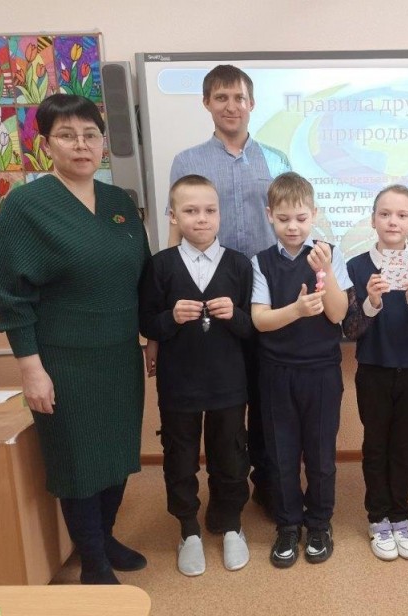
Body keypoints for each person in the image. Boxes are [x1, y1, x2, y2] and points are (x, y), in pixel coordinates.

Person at [0, 93, 149, 584]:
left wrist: (152, 339)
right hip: (63, 359)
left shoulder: (119, 203)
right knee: (77, 460)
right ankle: (93, 561)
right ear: (46, 145)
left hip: (119, 353)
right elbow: (11, 296)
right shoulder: (27, 207)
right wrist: (30, 368)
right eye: (67, 135)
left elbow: (140, 278)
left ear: (102, 143)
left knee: (117, 452)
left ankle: (105, 535)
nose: (81, 144)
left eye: (90, 134)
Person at [167, 65, 291, 527]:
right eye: (221, 97)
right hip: (208, 295)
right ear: (207, 103)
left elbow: (291, 221)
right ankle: (222, 493)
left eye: (239, 97)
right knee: (224, 400)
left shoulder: (276, 159)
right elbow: (175, 227)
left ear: (252, 103)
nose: (231, 106)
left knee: (266, 396)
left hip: (265, 293)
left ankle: (268, 486)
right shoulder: (188, 160)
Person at [139, 175, 253, 576]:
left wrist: (235, 315)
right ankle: (188, 530)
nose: (201, 219)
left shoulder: (239, 264)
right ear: (174, 216)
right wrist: (171, 317)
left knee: (231, 455)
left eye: (209, 210)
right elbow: (147, 322)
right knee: (180, 457)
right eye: (190, 211)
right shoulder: (160, 265)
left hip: (228, 384)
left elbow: (252, 328)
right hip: (179, 385)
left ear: (220, 215)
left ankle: (231, 524)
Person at [250, 172, 352, 568]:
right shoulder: (261, 262)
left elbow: (338, 314)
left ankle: (320, 523)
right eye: (283, 219)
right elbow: (260, 320)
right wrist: (296, 310)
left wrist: (327, 274)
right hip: (277, 373)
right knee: (281, 454)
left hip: (321, 372)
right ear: (269, 216)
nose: (292, 227)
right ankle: (288, 524)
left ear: (314, 215)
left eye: (301, 218)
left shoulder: (329, 253)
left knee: (321, 455)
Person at [342, 185, 408, 561]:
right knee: (375, 447)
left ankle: (400, 516)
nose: (393, 221)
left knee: (404, 449)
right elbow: (350, 330)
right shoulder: (356, 266)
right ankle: (377, 518)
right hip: (374, 370)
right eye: (385, 214)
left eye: (402, 215)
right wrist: (371, 302)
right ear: (373, 220)